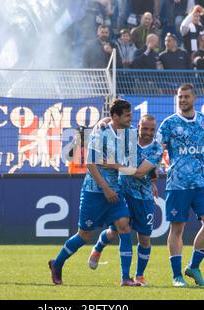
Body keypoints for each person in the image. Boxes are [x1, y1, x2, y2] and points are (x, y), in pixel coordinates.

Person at [48, 99, 140, 287]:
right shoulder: (100, 134)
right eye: (128, 115)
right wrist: (105, 188)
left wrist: (117, 168)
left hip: (116, 190)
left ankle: (125, 278)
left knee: (124, 226)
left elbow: (129, 166)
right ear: (116, 116)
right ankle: (57, 264)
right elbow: (90, 164)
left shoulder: (130, 134)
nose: (131, 118)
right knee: (84, 235)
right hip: (94, 192)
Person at [156, 83, 204, 287]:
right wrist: (152, 173)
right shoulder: (169, 123)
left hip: (201, 182)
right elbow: (156, 150)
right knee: (177, 229)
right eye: (180, 97)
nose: (183, 100)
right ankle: (176, 276)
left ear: (194, 99)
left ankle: (194, 267)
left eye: (186, 97)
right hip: (177, 184)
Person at [88, 115, 164, 287]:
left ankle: (140, 275)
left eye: (152, 130)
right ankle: (104, 254)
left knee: (144, 238)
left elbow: (138, 172)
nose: (148, 133)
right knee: (118, 231)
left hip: (144, 197)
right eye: (145, 128)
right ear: (138, 126)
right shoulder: (127, 135)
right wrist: (102, 123)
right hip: (123, 191)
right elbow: (111, 119)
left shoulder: (157, 149)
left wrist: (114, 165)